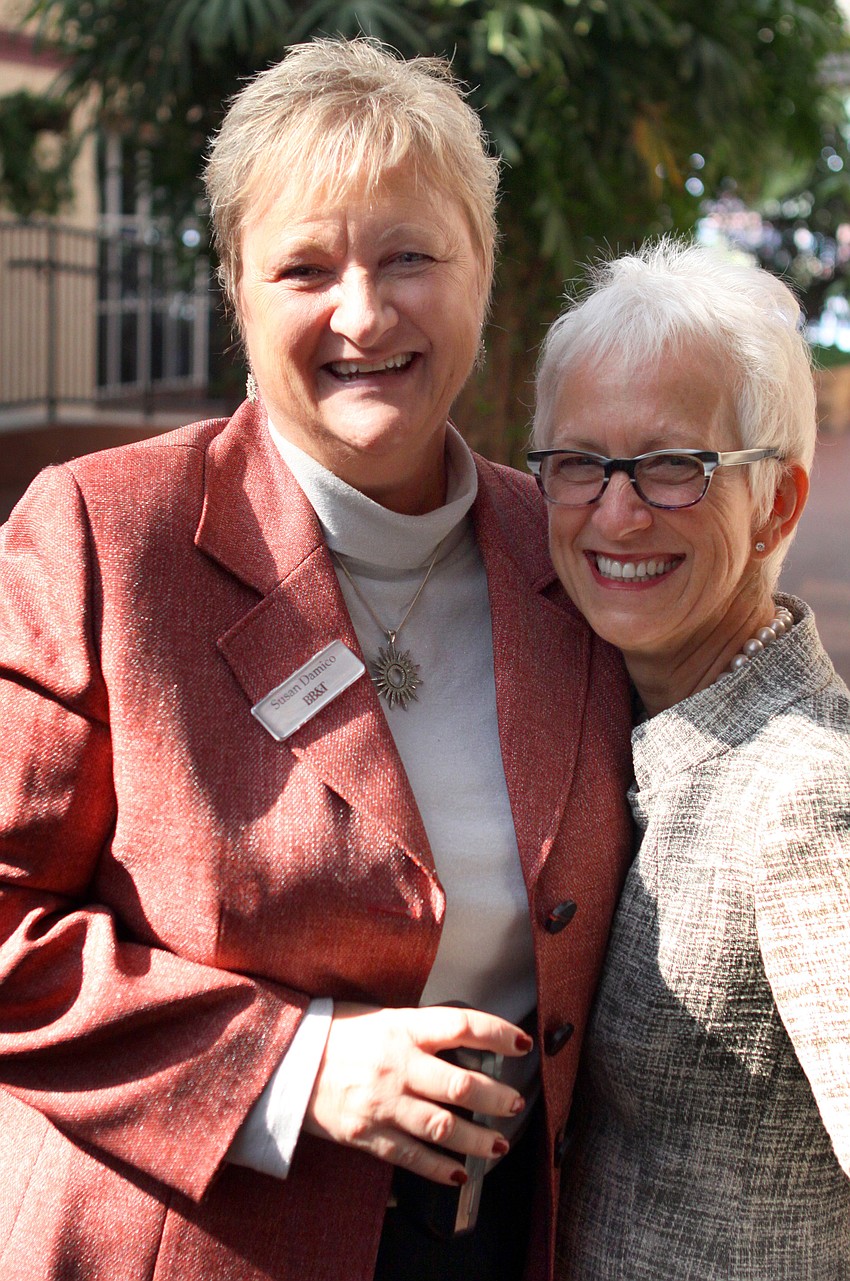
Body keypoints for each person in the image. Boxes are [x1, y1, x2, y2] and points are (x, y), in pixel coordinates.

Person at [0, 38, 633, 1281]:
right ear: (235, 289)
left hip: (507, 1245)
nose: (363, 312)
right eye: (304, 267)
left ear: (482, 273)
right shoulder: (100, 537)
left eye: (411, 256)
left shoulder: (566, 548)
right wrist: (294, 1064)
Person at [527, 237, 850, 1279]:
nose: (616, 512)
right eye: (580, 462)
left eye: (674, 466)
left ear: (778, 507)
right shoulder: (623, 719)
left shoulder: (805, 788)